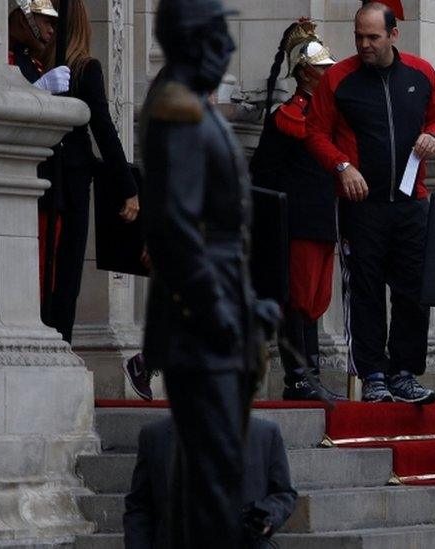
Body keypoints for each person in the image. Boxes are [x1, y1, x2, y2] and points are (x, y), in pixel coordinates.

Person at [139, 0, 254, 544]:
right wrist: (216, 308)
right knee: (213, 479)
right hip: (198, 321)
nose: (229, 47)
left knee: (216, 474)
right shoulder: (177, 109)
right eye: (218, 34)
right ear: (192, 39)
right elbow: (177, 229)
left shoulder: (193, 107)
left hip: (221, 306)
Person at [305, 2, 435, 403]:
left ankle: (404, 373)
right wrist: (342, 166)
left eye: (373, 37)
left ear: (393, 35)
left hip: (411, 200)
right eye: (359, 37)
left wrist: (434, 137)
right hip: (361, 204)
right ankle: (373, 375)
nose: (365, 45)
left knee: (414, 289)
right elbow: (314, 131)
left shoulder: (421, 74)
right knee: (365, 290)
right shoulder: (338, 78)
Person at [249, 20, 345, 402]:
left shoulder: (330, 114)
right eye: (324, 67)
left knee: (316, 302)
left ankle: (313, 376)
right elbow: (265, 174)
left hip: (323, 219)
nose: (330, 72)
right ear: (306, 73)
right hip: (298, 221)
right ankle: (299, 379)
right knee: (298, 301)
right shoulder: (289, 115)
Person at [42, 0, 140, 343]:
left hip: (57, 177)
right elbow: (104, 129)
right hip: (66, 182)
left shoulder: (62, 68)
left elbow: (102, 129)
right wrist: (129, 188)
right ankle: (61, 339)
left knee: (57, 270)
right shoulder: (79, 68)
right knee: (63, 270)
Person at [123, 416, 297, 548]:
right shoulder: (155, 435)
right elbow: (139, 507)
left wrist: (264, 516)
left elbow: (283, 494)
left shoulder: (264, 433)